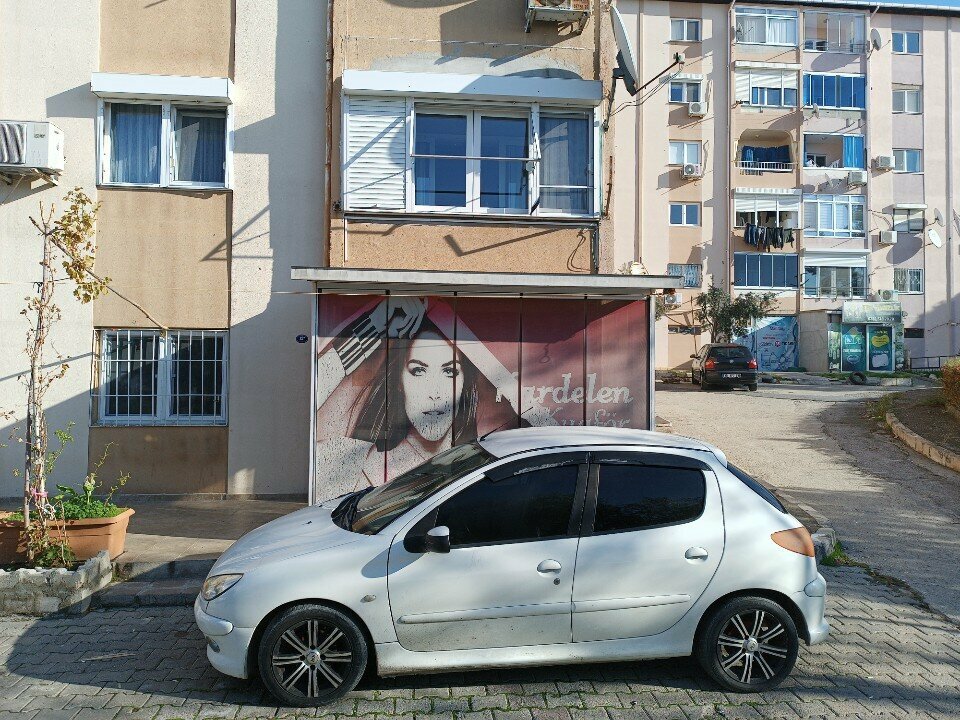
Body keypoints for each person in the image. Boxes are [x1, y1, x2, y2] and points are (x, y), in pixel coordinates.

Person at [314, 298, 553, 499]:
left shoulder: (488, 466)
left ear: (464, 385)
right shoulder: (352, 462)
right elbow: (312, 391)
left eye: (450, 371)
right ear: (398, 383)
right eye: (418, 370)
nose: (435, 392)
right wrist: (374, 324)